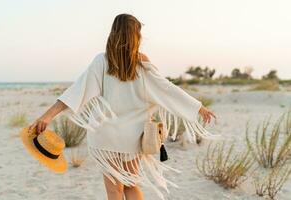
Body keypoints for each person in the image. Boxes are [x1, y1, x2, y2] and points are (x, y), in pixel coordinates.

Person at [29, 13, 216, 200]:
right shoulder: (142, 63)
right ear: (135, 36)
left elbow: (77, 91)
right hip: (131, 138)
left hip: (105, 137)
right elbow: (166, 89)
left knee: (114, 191)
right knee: (131, 186)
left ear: (114, 33)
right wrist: (198, 107)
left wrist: (47, 116)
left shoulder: (101, 62)